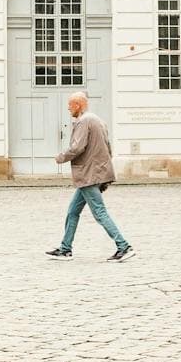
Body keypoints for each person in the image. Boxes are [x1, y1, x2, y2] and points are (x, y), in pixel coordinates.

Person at [47, 92, 134, 261]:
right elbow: (108, 147)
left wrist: (61, 157)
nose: (68, 108)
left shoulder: (83, 121)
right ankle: (65, 249)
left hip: (88, 174)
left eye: (70, 105)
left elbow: (77, 148)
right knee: (73, 211)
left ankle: (124, 246)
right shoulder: (98, 120)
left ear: (78, 105)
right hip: (94, 173)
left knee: (100, 213)